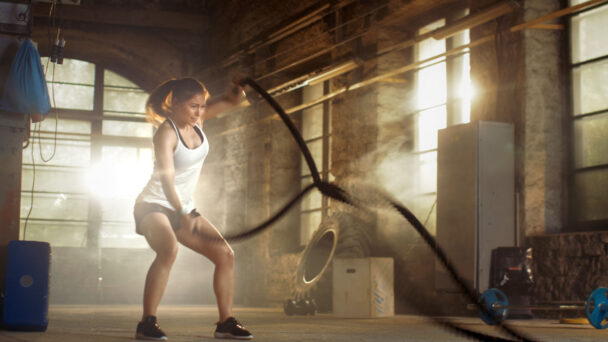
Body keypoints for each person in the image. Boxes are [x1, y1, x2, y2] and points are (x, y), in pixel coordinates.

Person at [133, 77, 253, 340]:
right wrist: (181, 213)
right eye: (193, 106)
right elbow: (167, 180)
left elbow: (233, 102)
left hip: (184, 207)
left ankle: (225, 322)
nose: (199, 112)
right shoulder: (165, 133)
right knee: (169, 249)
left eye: (202, 106)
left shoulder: (197, 122)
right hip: (154, 205)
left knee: (225, 255)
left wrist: (237, 92)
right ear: (175, 104)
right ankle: (147, 323)